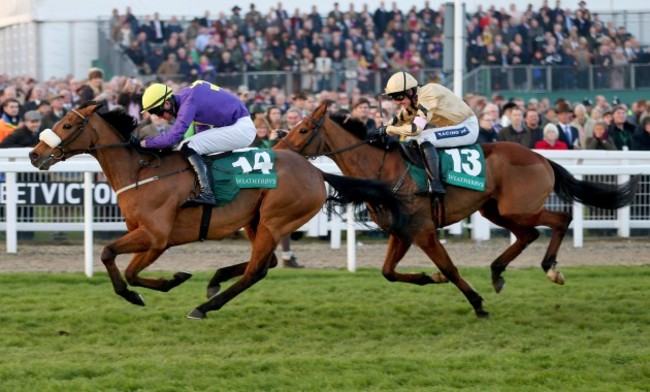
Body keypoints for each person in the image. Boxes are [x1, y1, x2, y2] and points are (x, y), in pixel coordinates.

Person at [137, 80, 256, 207]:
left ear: (166, 104)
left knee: (187, 145)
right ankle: (209, 188)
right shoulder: (188, 97)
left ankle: (208, 194)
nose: (159, 117)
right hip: (237, 126)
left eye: (157, 112)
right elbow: (202, 130)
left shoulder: (188, 102)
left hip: (241, 128)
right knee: (192, 146)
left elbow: (171, 138)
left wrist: (143, 144)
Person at [378, 71, 478, 196]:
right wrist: (381, 129)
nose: (396, 102)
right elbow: (400, 118)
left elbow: (416, 129)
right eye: (392, 98)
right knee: (410, 139)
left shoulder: (428, 93)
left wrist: (388, 130)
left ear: (409, 91)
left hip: (467, 127)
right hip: (455, 127)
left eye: (398, 97)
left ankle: (435, 183)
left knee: (422, 136)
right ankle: (422, 178)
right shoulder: (414, 99)